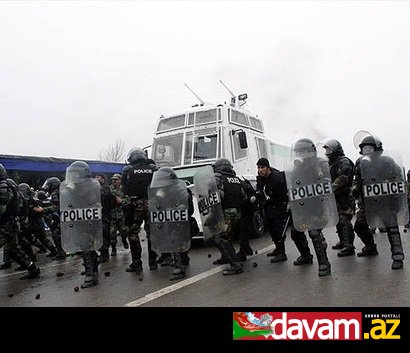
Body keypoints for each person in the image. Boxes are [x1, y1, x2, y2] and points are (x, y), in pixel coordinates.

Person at [352, 133, 405, 269]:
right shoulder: (360, 163)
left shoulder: (388, 161)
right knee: (359, 225)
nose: (366, 151)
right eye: (364, 149)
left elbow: (398, 179)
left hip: (385, 202)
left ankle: (397, 256)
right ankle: (370, 247)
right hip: (368, 203)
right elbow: (357, 181)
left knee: (392, 228)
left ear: (377, 148)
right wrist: (355, 191)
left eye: (369, 148)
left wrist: (396, 199)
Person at [286, 139, 334, 277]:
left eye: (304, 151)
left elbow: (327, 182)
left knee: (314, 233)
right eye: (299, 151)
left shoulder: (321, 163)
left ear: (311, 150)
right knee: (296, 232)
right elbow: (293, 185)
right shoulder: (298, 166)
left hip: (319, 205)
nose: (302, 154)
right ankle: (306, 256)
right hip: (303, 206)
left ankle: (324, 263)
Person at [60, 161, 103, 288]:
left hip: (90, 221)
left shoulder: (90, 187)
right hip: (82, 220)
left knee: (86, 247)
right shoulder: (76, 186)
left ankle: (91, 275)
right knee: (88, 246)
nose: (72, 176)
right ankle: (93, 270)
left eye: (74, 173)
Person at [121, 148, 158, 275]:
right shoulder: (153, 168)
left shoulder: (128, 170)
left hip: (136, 205)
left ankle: (137, 264)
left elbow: (124, 189)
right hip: (152, 204)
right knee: (151, 234)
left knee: (133, 233)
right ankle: (153, 263)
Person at [0, 163, 40, 279]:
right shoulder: (8, 184)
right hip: (10, 223)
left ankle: (33, 268)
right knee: (14, 249)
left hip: (6, 224)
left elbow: (2, 209)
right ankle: (32, 269)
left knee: (15, 248)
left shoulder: (3, 186)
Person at [319, 139, 356, 256]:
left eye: (329, 149)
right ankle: (342, 241)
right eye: (326, 150)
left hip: (345, 196)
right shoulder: (330, 164)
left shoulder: (344, 162)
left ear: (336, 150)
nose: (327, 152)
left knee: (344, 220)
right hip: (335, 197)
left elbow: (343, 178)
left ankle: (349, 246)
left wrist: (329, 189)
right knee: (338, 220)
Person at [211, 158, 246, 275]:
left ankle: (236, 265)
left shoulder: (219, 179)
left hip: (226, 213)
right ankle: (225, 257)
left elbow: (218, 197)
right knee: (227, 236)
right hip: (237, 212)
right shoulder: (235, 179)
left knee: (220, 238)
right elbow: (244, 197)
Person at [256, 157, 289, 263]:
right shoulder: (262, 179)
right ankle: (277, 248)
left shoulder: (276, 178)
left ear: (268, 168)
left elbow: (282, 195)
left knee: (278, 230)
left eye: (262, 167)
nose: (260, 170)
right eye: (258, 167)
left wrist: (282, 208)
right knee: (271, 230)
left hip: (277, 208)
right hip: (269, 208)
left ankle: (281, 253)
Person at [41, 176, 66, 260]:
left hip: (62, 217)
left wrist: (44, 210)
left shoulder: (56, 193)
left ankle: (61, 253)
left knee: (56, 235)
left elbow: (57, 207)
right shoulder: (60, 191)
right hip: (62, 217)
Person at [95, 173, 116, 262]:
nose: (96, 179)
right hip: (99, 214)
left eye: (97, 177)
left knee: (104, 234)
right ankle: (103, 253)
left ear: (102, 178)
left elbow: (105, 198)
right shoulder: (97, 188)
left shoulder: (105, 188)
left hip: (105, 214)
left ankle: (105, 254)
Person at [109, 174, 129, 255]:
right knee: (112, 233)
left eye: (116, 179)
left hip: (122, 214)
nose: (113, 181)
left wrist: (122, 201)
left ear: (120, 180)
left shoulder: (124, 189)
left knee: (125, 231)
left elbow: (128, 199)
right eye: (113, 179)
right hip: (113, 214)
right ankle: (114, 248)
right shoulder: (109, 189)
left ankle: (124, 240)